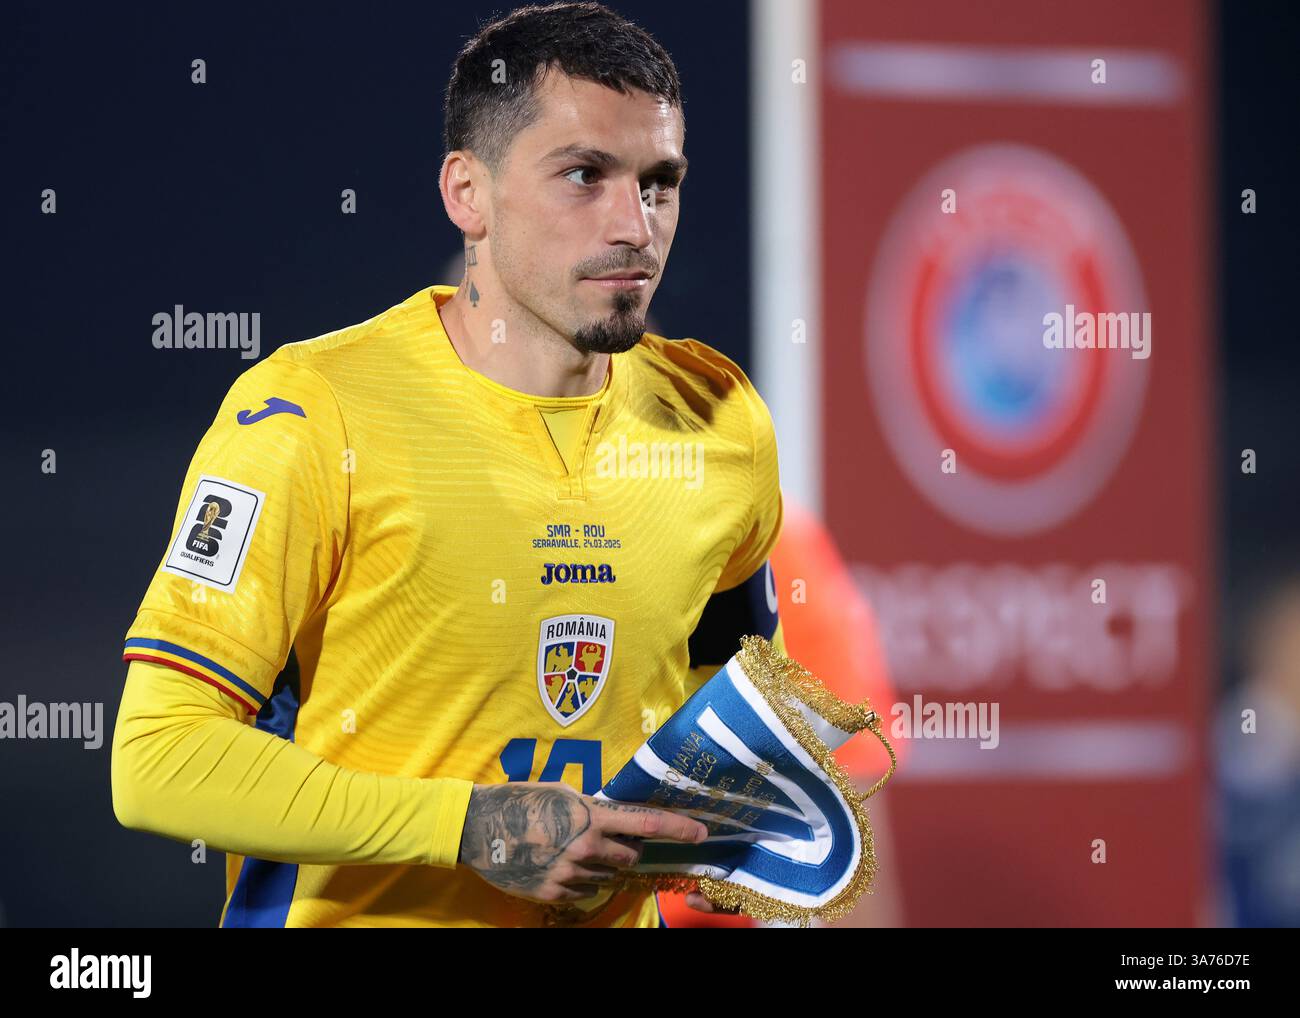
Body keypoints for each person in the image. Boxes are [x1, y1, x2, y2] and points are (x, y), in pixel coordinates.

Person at [111, 1, 788, 927]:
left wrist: (740, 805)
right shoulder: (311, 415)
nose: (635, 225)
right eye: (584, 175)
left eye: (660, 183)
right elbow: (158, 763)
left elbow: (730, 690)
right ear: (466, 192)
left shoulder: (721, 423)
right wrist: (472, 826)